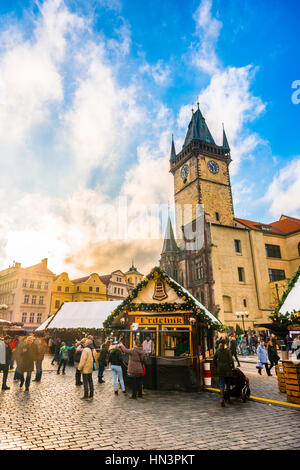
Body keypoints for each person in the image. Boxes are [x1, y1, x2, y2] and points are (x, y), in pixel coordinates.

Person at [213, 339, 234, 407]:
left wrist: (217, 366)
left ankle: (222, 399)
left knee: (222, 384)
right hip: (227, 370)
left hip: (220, 370)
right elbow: (231, 360)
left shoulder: (218, 351)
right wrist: (232, 367)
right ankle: (228, 399)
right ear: (225, 344)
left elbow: (214, 359)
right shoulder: (228, 351)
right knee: (228, 384)